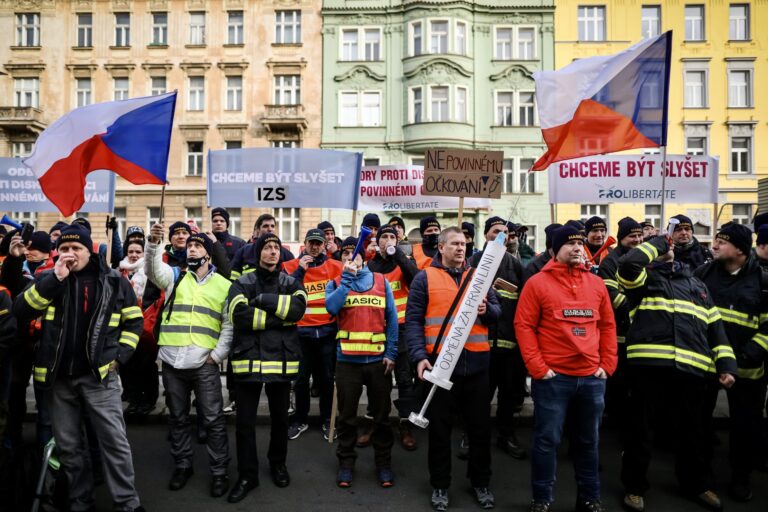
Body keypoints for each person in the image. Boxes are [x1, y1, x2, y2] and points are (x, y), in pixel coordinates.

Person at [13, 224, 145, 512]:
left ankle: (127, 504)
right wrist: (55, 279)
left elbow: (134, 322)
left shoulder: (113, 281)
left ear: (89, 251)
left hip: (100, 378)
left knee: (114, 443)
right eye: (64, 249)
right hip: (59, 379)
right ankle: (80, 502)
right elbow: (21, 311)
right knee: (70, 448)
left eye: (76, 249)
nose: (70, 254)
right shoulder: (48, 278)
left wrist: (119, 356)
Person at [617, 234, 737, 512]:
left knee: (693, 434)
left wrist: (727, 366)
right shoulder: (642, 280)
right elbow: (629, 266)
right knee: (640, 433)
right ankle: (634, 488)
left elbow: (716, 330)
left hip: (691, 371)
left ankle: (696, 484)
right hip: (648, 369)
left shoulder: (697, 285)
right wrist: (658, 243)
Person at [515, 226, 617, 512]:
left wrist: (606, 365)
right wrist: (539, 369)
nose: (577, 248)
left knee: (588, 442)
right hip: (553, 379)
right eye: (570, 243)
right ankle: (542, 499)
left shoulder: (596, 284)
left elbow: (607, 326)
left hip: (592, 378)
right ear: (554, 250)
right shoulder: (537, 283)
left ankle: (589, 498)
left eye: (580, 243)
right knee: (547, 441)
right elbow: (524, 327)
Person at [406, 226, 501, 511]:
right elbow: (412, 321)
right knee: (439, 433)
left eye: (464, 244)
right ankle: (440, 486)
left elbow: (498, 313)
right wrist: (418, 356)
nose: (461, 248)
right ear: (442, 248)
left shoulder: (480, 278)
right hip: (439, 368)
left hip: (477, 366)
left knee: (480, 431)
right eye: (455, 244)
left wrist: (488, 311)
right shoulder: (425, 278)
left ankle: (481, 482)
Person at [146, 225, 233, 498]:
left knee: (213, 420)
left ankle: (219, 472)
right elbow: (152, 271)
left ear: (208, 253)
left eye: (198, 245)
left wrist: (217, 356)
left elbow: (228, 325)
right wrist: (153, 243)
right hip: (172, 362)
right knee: (178, 418)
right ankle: (183, 466)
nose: (191, 248)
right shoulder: (175, 276)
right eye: (190, 246)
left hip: (204, 364)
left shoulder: (225, 285)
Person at [226, 232, 307, 502]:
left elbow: (297, 310)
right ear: (258, 252)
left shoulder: (291, 281)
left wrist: (261, 301)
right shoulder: (241, 282)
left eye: (276, 248)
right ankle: (247, 475)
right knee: (244, 423)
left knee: (280, 420)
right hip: (248, 362)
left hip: (280, 363)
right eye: (267, 247)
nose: (272, 252)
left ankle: (278, 464)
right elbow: (239, 315)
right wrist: (280, 318)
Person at [694, 223, 768, 502]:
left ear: (739, 249)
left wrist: (745, 357)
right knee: (700, 426)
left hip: (747, 370)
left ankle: (741, 478)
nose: (714, 246)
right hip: (706, 367)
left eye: (721, 242)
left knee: (745, 428)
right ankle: (703, 477)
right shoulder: (702, 274)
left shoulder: (762, 281)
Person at [325, 236, 399, 488]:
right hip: (346, 362)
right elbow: (331, 308)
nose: (348, 258)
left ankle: (384, 464)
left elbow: (392, 319)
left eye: (353, 254)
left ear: (363, 256)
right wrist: (346, 280)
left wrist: (391, 353)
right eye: (344, 254)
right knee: (347, 418)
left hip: (378, 362)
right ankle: (346, 463)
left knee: (381, 417)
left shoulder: (381, 282)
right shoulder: (335, 282)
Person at [471, 217, 527, 460]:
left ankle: (506, 435)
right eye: (496, 232)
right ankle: (471, 436)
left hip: (508, 347)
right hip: (478, 345)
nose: (501, 236)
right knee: (477, 397)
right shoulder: (471, 262)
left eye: (506, 233)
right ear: (486, 235)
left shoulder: (515, 267)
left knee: (508, 396)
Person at [282, 229, 344, 439]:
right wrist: (300, 270)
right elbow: (285, 291)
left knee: (327, 378)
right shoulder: (290, 266)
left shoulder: (336, 266)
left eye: (319, 243)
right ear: (305, 243)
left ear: (324, 245)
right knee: (301, 380)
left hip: (327, 332)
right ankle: (300, 419)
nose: (315, 247)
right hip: (301, 333)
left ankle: (328, 419)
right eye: (312, 243)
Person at [367, 225, 420, 450]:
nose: (388, 240)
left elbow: (416, 279)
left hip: (402, 328)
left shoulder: (404, 262)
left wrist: (397, 254)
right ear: (377, 241)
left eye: (392, 237)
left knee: (405, 379)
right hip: (378, 329)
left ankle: (405, 424)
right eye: (384, 237)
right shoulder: (369, 266)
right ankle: (377, 424)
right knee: (378, 382)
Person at [596, 217, 644, 421]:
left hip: (641, 333)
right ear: (622, 237)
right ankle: (614, 415)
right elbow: (612, 296)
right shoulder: (610, 261)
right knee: (618, 380)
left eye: (640, 235)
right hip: (619, 332)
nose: (637, 240)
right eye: (632, 236)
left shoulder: (644, 258)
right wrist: (640, 307)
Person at [231, 214, 294, 279]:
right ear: (257, 229)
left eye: (272, 226)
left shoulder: (286, 254)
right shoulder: (243, 251)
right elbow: (234, 279)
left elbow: (292, 280)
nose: (270, 229)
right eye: (265, 226)